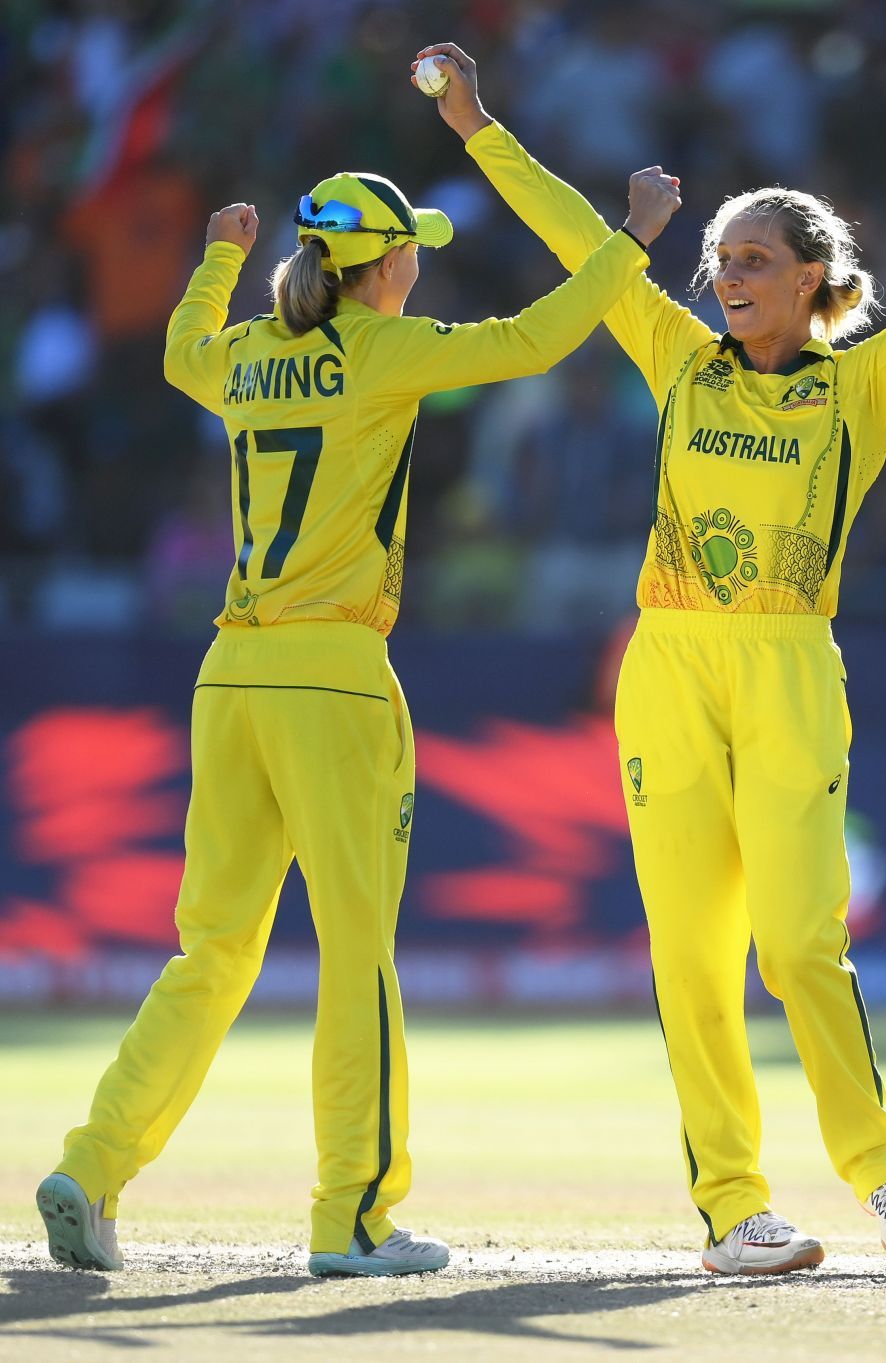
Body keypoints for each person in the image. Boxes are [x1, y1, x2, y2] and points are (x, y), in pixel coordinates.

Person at [416, 40, 886, 1275]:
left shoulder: (859, 385)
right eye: (720, 260)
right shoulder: (676, 355)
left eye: (754, 260)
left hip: (792, 665)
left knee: (802, 939)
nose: (727, 276)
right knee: (689, 951)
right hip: (668, 664)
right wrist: (477, 123)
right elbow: (567, 232)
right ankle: (734, 1206)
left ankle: (883, 1170)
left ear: (817, 279)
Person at [36, 167, 653, 1277]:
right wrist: (631, 239)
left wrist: (220, 258)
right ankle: (351, 1218)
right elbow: (535, 338)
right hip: (335, 675)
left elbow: (184, 350)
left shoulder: (245, 353)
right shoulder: (380, 351)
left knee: (210, 952)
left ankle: (91, 1164)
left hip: (230, 674)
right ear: (384, 265)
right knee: (357, 956)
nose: (420, 262)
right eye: (410, 249)